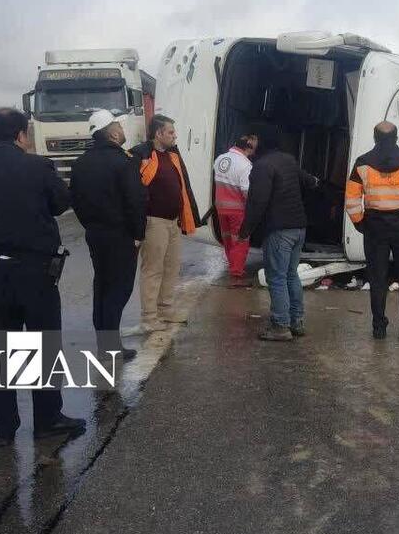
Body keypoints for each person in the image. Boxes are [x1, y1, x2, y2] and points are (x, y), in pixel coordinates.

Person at [0, 107, 85, 447]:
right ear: (20, 135)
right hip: (35, 272)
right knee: (42, 346)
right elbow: (60, 204)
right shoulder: (38, 166)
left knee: (1, 348)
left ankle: (3, 427)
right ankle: (46, 420)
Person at [70, 109, 147, 362]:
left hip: (95, 233)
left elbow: (76, 201)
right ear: (113, 133)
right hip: (121, 235)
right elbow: (135, 201)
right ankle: (110, 347)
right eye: (120, 127)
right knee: (118, 289)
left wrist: (90, 225)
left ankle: (104, 344)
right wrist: (138, 234)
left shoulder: (81, 163)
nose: (123, 131)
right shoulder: (124, 162)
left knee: (101, 287)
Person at [344, 121, 399, 339]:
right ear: (396, 137)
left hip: (374, 225)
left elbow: (351, 198)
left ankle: (379, 325)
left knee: (377, 276)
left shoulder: (362, 164)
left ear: (375, 138)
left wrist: (360, 223)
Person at [239, 126, 319, 341]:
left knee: (276, 278)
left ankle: (280, 326)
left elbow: (258, 202)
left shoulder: (262, 166)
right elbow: (308, 181)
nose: (249, 142)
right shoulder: (287, 159)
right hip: (298, 227)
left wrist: (245, 230)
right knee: (291, 275)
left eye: (252, 137)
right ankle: (296, 321)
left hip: (279, 229)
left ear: (260, 140)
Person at [131, 115, 202, 333]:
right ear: (158, 133)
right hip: (153, 221)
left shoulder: (172, 155)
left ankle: (165, 309)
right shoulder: (141, 154)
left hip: (172, 221)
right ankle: (149, 317)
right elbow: (133, 190)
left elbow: (184, 185)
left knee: (171, 267)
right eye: (170, 132)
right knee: (153, 269)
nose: (175, 135)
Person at [213, 133, 258, 287]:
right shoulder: (245, 165)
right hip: (237, 210)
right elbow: (246, 191)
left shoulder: (220, 159)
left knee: (227, 239)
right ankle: (237, 273)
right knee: (240, 241)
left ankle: (233, 266)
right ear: (249, 146)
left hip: (220, 207)